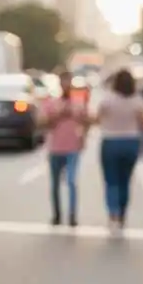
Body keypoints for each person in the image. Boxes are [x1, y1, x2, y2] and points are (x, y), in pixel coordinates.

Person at [93, 68, 143, 233]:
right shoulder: (137, 101)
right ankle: (122, 214)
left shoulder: (108, 99)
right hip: (131, 142)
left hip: (110, 141)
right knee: (125, 181)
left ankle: (113, 215)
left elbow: (97, 119)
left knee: (111, 181)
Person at [36, 70, 89, 227]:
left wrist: (83, 137)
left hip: (72, 147)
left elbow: (86, 120)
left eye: (68, 82)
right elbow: (41, 122)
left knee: (71, 181)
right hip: (55, 147)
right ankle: (56, 214)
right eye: (63, 82)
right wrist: (58, 115)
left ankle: (72, 215)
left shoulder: (78, 103)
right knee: (55, 184)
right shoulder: (51, 102)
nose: (66, 85)